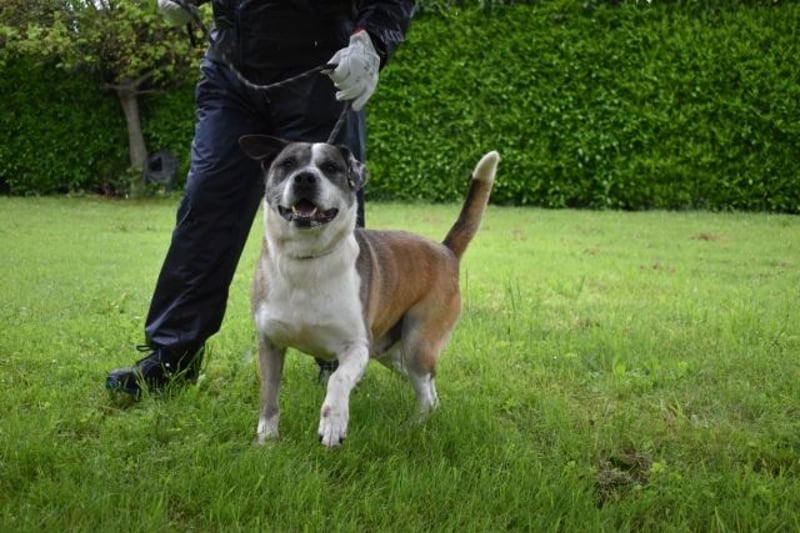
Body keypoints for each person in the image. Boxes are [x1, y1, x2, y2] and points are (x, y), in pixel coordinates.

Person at [106, 0, 415, 396]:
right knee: (205, 208)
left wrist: (372, 40)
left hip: (320, 69)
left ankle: (339, 357)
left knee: (326, 213)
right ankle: (172, 356)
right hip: (230, 70)